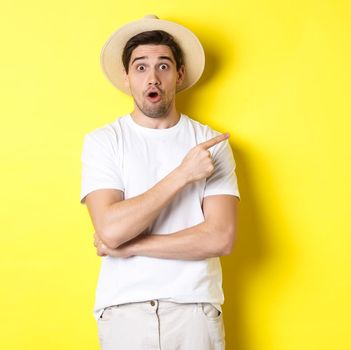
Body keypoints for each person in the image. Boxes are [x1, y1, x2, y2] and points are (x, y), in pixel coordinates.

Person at [80, 15, 238, 350]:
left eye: (163, 66)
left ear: (179, 74)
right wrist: (183, 174)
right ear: (127, 78)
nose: (152, 77)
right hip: (124, 312)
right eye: (141, 67)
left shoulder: (211, 144)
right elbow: (110, 229)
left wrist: (133, 246)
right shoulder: (104, 141)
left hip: (194, 309)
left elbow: (220, 237)